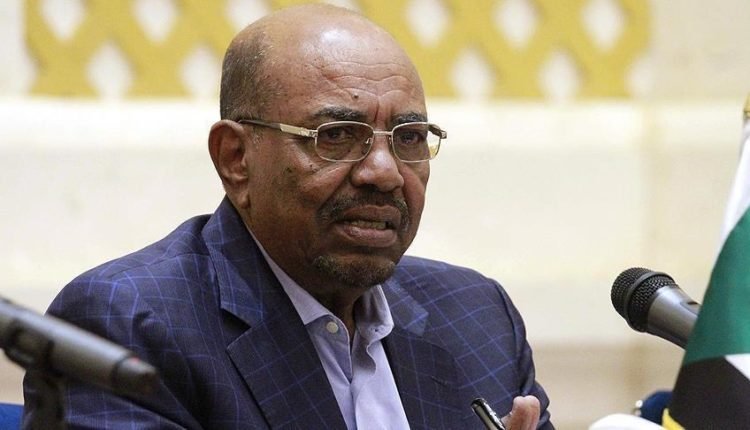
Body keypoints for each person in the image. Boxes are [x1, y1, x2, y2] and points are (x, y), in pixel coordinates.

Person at [23, 4, 553, 429]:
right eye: (337, 136)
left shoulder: (476, 316)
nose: (385, 172)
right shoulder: (130, 323)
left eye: (409, 138)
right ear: (236, 158)